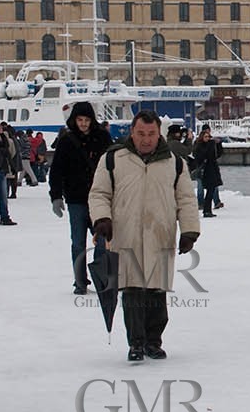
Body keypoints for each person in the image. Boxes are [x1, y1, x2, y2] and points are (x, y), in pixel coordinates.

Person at [88, 110, 200, 361]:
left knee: (157, 292)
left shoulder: (174, 162)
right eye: (141, 133)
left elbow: (185, 199)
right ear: (132, 132)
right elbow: (99, 194)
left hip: (161, 233)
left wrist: (189, 231)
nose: (146, 139)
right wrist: (102, 219)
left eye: (151, 134)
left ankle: (153, 341)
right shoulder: (113, 159)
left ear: (158, 133)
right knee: (133, 291)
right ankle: (136, 343)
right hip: (126, 234)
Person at [48, 101, 113, 295]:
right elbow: (57, 170)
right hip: (76, 198)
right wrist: (56, 196)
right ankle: (80, 280)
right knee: (78, 243)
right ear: (74, 120)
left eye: (86, 120)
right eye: (80, 120)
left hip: (99, 199)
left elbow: (114, 165)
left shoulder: (102, 138)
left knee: (103, 240)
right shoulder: (66, 141)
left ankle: (100, 277)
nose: (83, 124)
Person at [193, 126, 223, 218]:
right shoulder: (199, 146)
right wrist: (211, 145)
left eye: (208, 137)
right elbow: (204, 156)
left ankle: (207, 209)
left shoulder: (211, 145)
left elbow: (217, 155)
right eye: (206, 137)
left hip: (212, 170)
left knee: (211, 190)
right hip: (205, 171)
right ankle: (205, 209)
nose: (208, 139)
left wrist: (218, 144)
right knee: (205, 190)